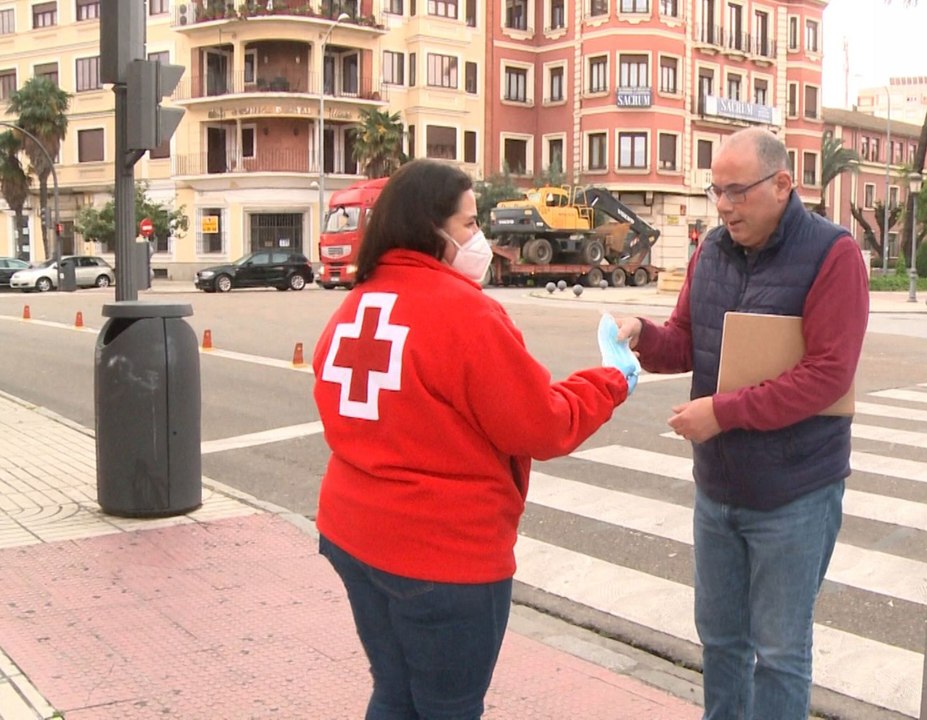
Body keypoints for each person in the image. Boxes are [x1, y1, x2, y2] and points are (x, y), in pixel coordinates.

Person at [311, 159, 633, 720]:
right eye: (467, 224)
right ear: (429, 230)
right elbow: (542, 424)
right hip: (441, 556)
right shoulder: (464, 312)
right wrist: (610, 378)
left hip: (354, 536)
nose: (479, 237)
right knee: (449, 709)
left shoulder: (357, 303)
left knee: (393, 694)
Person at [616, 128, 869, 720]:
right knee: (722, 643)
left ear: (782, 185)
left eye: (736, 192)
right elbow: (687, 341)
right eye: (716, 193)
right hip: (719, 489)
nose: (725, 207)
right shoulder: (710, 250)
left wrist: (721, 414)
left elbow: (830, 375)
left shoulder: (834, 255)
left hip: (794, 494)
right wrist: (640, 336)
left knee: (780, 653)